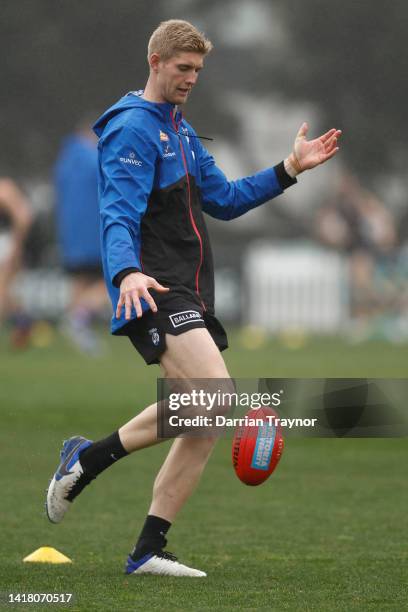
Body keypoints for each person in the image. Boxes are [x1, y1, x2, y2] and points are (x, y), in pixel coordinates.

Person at [46, 19, 341, 577]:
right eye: (183, 68)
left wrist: (290, 168)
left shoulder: (178, 129)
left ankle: (145, 548)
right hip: (153, 286)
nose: (191, 79)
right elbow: (117, 214)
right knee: (216, 396)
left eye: (198, 71)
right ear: (155, 61)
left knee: (202, 420)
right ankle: (87, 461)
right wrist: (127, 273)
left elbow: (225, 200)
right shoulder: (134, 128)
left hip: (187, 287)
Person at [54, 117, 109, 354]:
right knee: (113, 283)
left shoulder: (64, 160)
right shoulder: (95, 158)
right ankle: (77, 321)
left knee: (80, 283)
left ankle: (77, 334)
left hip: (70, 236)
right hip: (95, 234)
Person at [0, 178, 33, 347]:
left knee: (2, 290)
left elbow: (24, 216)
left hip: (7, 245)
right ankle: (23, 324)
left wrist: (16, 246)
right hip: (7, 244)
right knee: (5, 293)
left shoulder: (4, 188)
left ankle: (23, 326)